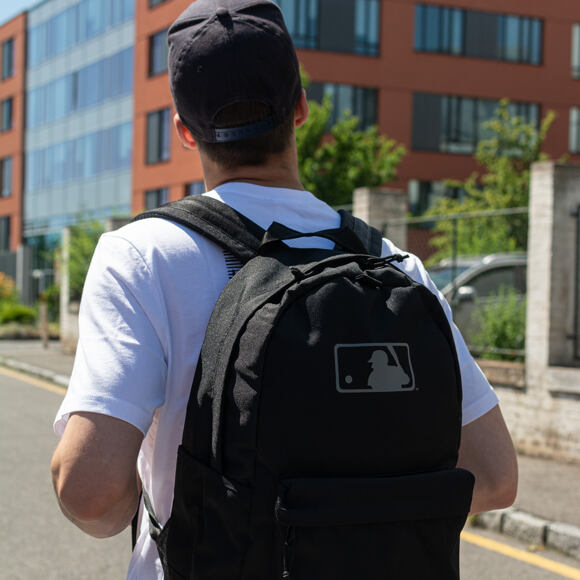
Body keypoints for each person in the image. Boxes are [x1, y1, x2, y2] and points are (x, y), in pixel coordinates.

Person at [50, 0, 518, 578]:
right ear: (299, 108)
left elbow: (89, 492)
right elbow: (495, 478)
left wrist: (153, 510)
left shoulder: (142, 257)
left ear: (183, 130)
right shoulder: (395, 266)